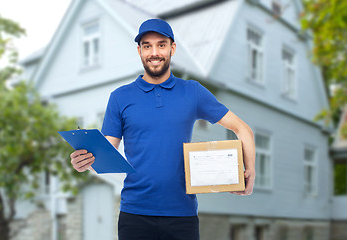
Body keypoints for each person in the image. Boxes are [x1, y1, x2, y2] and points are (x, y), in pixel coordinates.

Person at [70, 18, 255, 240]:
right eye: (147, 46)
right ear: (139, 51)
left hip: (182, 216)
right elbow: (105, 155)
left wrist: (250, 170)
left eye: (161, 44)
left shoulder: (192, 91)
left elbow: (242, 129)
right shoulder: (120, 97)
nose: (154, 52)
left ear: (172, 48)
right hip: (134, 215)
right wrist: (86, 162)